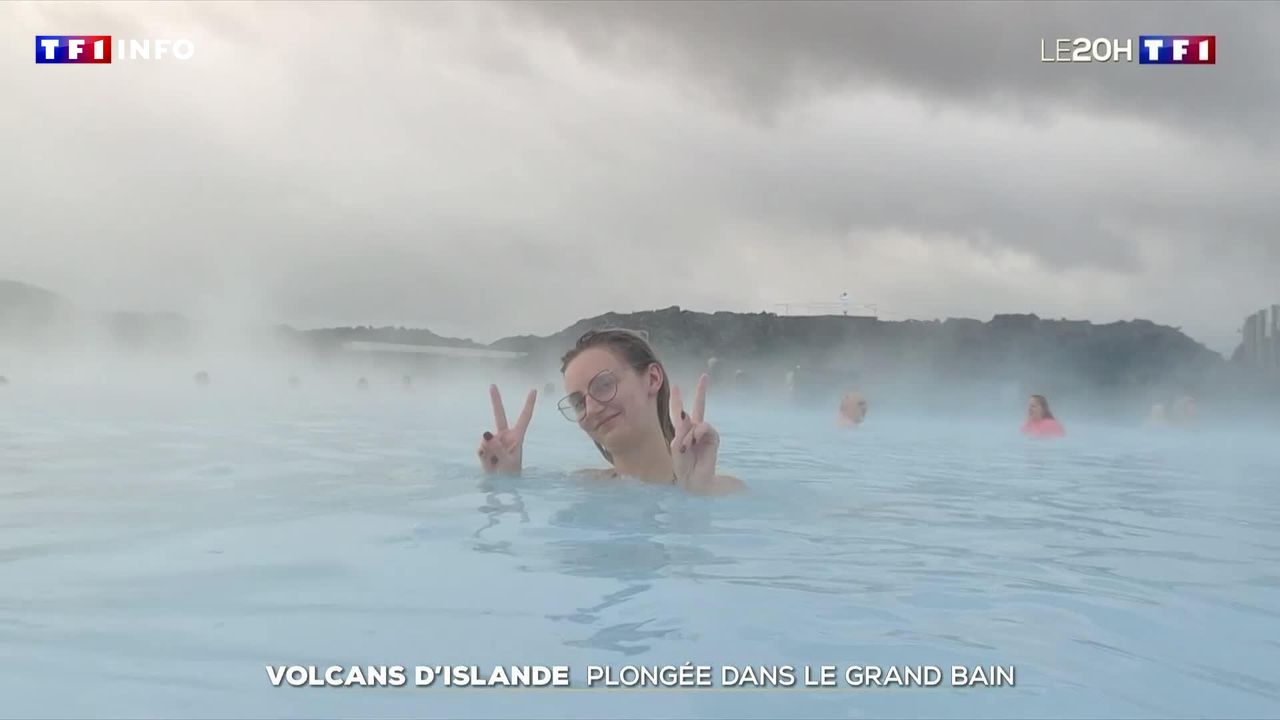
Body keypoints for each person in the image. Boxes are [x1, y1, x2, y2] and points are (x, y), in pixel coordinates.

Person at [476, 328, 744, 496]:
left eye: (604, 385)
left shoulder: (723, 491)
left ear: (652, 379)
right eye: (579, 402)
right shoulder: (580, 485)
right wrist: (504, 482)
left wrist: (696, 498)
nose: (591, 408)